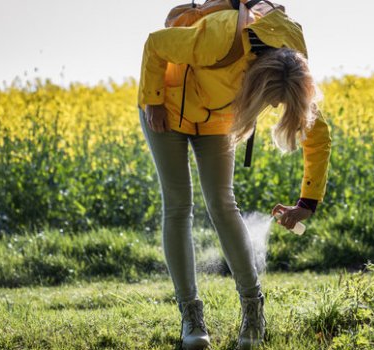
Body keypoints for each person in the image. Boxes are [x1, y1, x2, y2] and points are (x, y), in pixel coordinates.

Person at [137, 2, 331, 349]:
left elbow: (316, 132)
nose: (272, 109)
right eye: (269, 102)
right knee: (179, 205)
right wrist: (152, 100)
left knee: (223, 204)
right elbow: (155, 43)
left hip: (215, 117)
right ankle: (191, 316)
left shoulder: (292, 54)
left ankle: (253, 310)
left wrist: (307, 202)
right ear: (254, 84)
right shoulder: (219, 37)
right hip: (165, 108)